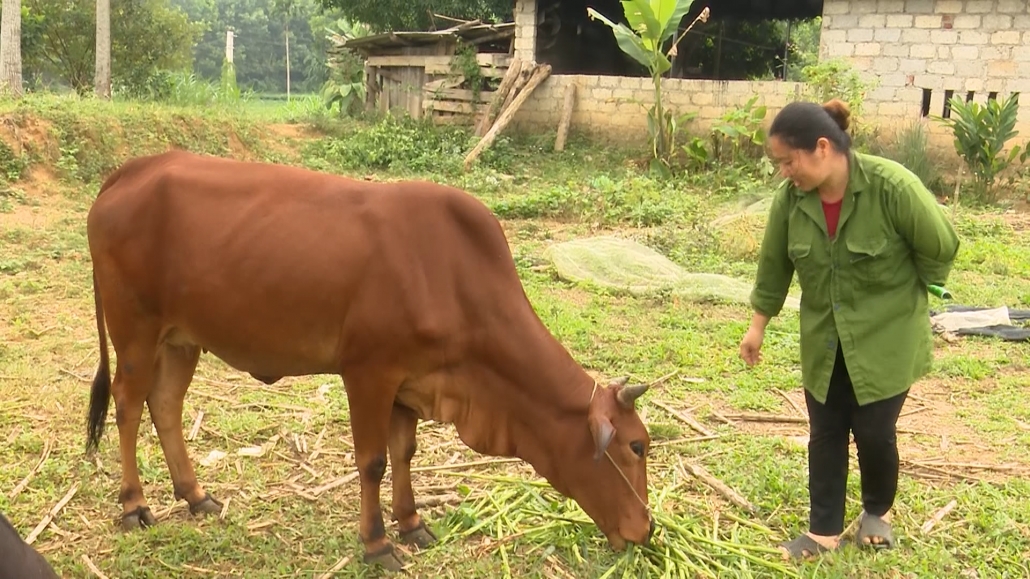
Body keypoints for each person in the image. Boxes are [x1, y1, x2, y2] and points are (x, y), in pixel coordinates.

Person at [739, 98, 960, 560]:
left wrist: (908, 295)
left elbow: (940, 245)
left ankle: (877, 511)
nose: (784, 172)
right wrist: (757, 326)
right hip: (824, 335)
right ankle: (822, 530)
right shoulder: (791, 201)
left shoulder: (892, 187)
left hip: (887, 337)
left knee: (875, 431)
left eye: (788, 161)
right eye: (778, 163)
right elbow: (774, 266)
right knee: (825, 430)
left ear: (822, 147)